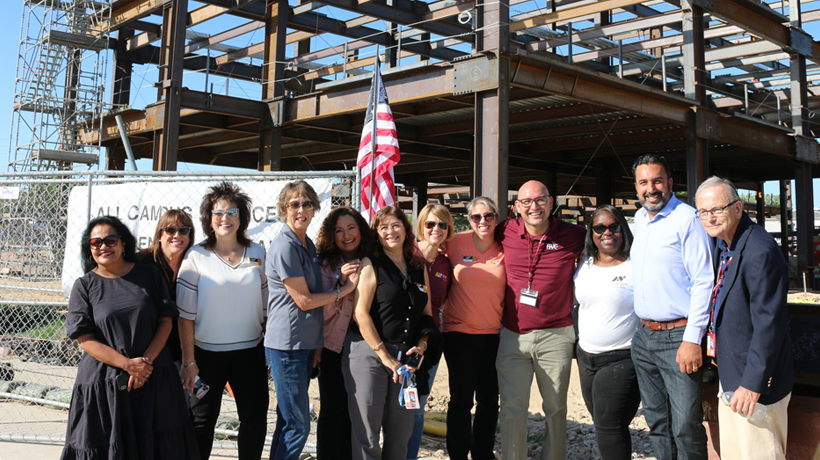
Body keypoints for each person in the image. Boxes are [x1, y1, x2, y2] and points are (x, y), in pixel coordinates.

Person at [62, 216, 198, 460]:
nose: (103, 246)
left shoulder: (149, 276)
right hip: (105, 384)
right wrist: (127, 365)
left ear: (123, 243)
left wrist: (143, 363)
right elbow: (84, 338)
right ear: (89, 248)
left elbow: (166, 321)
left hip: (154, 377)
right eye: (96, 242)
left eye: (110, 239)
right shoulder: (84, 286)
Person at [695, 177, 793, 460]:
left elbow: (769, 324)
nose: (710, 217)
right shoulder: (724, 246)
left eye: (717, 209)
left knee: (760, 454)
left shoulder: (759, 250)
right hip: (731, 375)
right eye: (703, 211)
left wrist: (752, 384)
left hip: (755, 384)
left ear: (738, 208)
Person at [266, 181, 360, 460]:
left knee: (288, 421)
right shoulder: (285, 246)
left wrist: (317, 343)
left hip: (305, 346)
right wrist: (344, 290)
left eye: (307, 203)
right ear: (284, 209)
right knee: (297, 425)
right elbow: (305, 301)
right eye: (294, 204)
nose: (301, 209)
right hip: (288, 348)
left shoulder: (305, 244)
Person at [177, 182, 269, 460]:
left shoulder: (258, 252)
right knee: (201, 423)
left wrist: (267, 354)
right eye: (218, 213)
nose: (225, 218)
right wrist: (189, 362)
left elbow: (267, 309)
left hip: (250, 354)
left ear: (242, 217)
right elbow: (184, 317)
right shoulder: (196, 256)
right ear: (208, 219)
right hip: (206, 357)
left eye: (232, 212)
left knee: (254, 421)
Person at [630, 154, 713, 460]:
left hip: (677, 337)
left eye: (657, 181)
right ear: (636, 187)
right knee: (657, 422)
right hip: (644, 337)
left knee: (685, 427)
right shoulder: (640, 218)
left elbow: (704, 281)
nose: (651, 188)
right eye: (643, 182)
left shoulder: (687, 219)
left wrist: (692, 339)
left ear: (670, 184)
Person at [495, 180, 585, 460]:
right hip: (513, 335)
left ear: (551, 201)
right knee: (512, 406)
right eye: (527, 201)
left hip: (556, 335)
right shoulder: (505, 231)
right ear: (517, 207)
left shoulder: (574, 235)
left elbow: (612, 247)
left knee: (556, 407)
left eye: (540, 200)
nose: (534, 206)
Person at [342, 206, 440, 460]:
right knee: (368, 434)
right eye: (383, 227)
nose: (390, 232)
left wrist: (422, 345)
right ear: (376, 233)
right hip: (370, 353)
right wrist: (385, 356)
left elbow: (427, 313)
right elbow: (360, 314)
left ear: (406, 230)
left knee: (401, 433)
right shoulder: (370, 264)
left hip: (406, 361)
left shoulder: (419, 266)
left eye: (395, 225)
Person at [573, 205, 641, 460]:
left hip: (621, 357)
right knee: (604, 421)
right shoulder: (585, 264)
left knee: (608, 424)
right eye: (600, 228)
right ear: (591, 233)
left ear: (623, 228)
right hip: (586, 357)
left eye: (613, 226)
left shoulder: (636, 265)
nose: (607, 233)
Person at [443, 196, 505, 460]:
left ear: (497, 218)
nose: (483, 221)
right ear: (468, 219)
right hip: (459, 335)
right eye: (476, 217)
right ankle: (457, 454)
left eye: (489, 216)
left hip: (494, 336)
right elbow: (426, 253)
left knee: (489, 400)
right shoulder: (455, 243)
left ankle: (482, 453)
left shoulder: (505, 247)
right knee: (461, 400)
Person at [315, 207, 372, 460]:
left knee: (357, 412)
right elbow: (321, 314)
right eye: (339, 230)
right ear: (331, 235)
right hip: (333, 347)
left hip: (366, 347)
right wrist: (342, 285)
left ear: (361, 229)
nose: (346, 235)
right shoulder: (325, 265)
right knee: (332, 411)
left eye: (351, 228)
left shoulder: (374, 259)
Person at [407, 203, 453, 460]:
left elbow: (440, 302)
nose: (437, 229)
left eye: (443, 224)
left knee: (417, 405)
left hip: (428, 343)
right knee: (395, 405)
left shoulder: (446, 264)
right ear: (421, 225)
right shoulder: (407, 255)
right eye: (431, 224)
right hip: (401, 340)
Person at [137, 209, 196, 369]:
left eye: (183, 230)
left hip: (183, 352)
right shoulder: (141, 263)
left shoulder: (195, 264)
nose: (177, 235)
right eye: (170, 230)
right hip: (146, 351)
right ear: (159, 235)